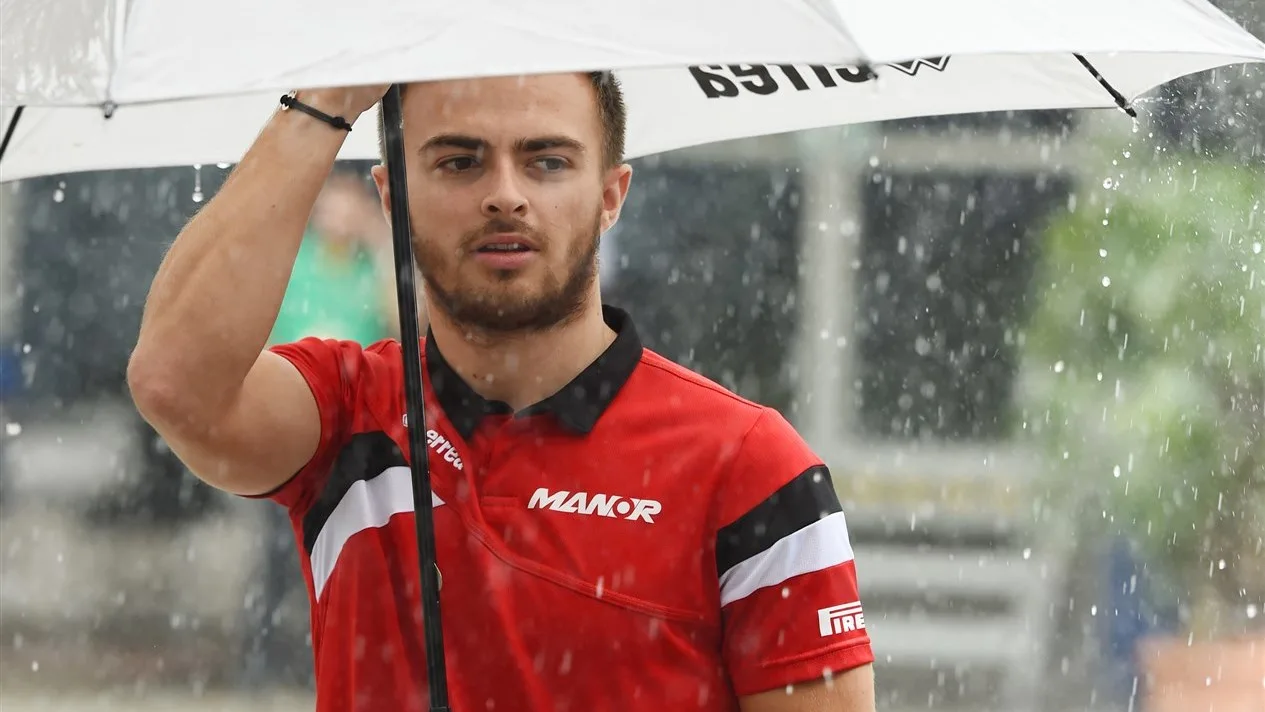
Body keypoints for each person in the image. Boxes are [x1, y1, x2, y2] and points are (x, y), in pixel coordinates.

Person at [127, 72, 876, 711]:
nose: (505, 196)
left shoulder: (749, 465)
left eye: (547, 161)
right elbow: (174, 384)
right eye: (459, 163)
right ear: (391, 194)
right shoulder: (350, 409)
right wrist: (326, 100)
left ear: (612, 194)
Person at [241, 166, 400, 688]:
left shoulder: (365, 267)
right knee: (277, 554)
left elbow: (398, 322)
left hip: (357, 434)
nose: (339, 213)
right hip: (293, 426)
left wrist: (380, 242)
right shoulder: (294, 262)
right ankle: (262, 658)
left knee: (359, 554)